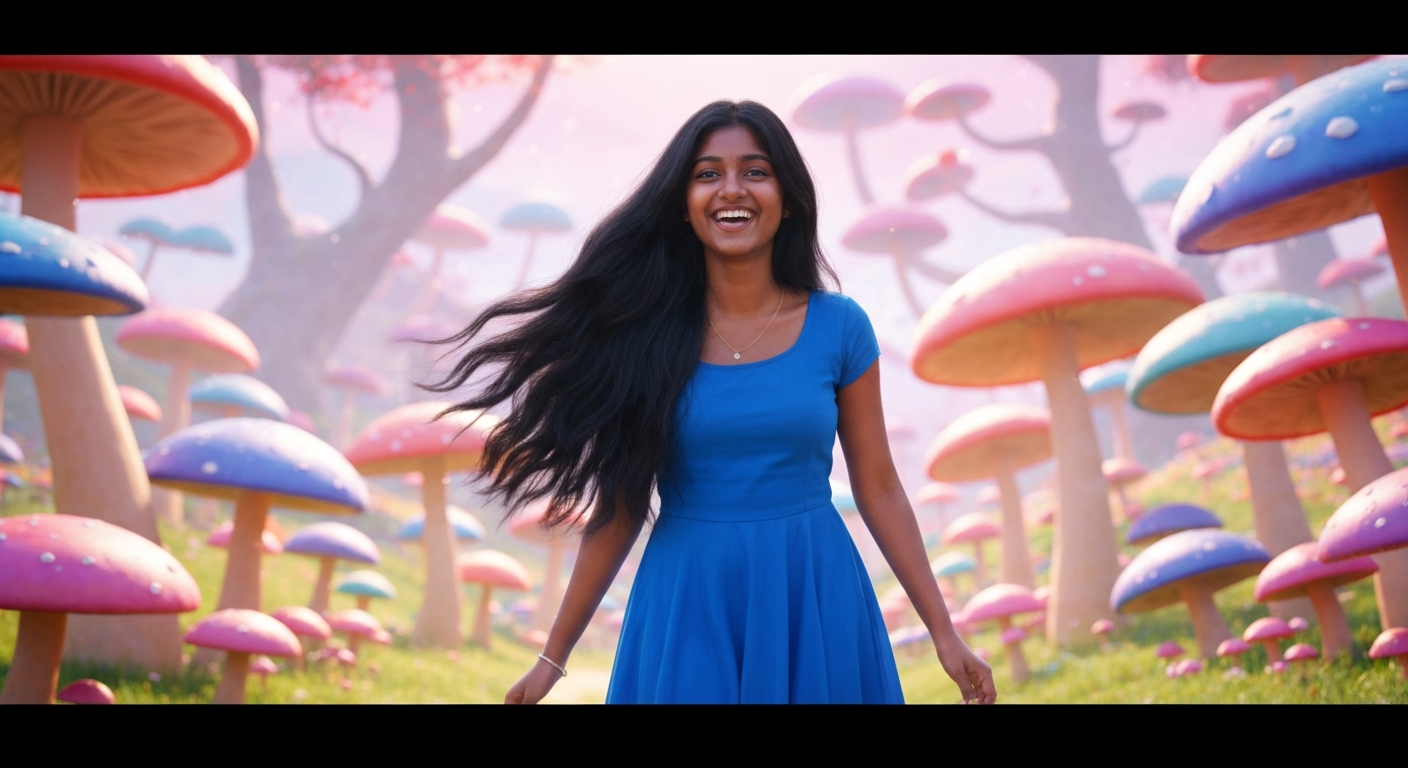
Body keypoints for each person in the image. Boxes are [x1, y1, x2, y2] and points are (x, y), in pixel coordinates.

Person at [428, 100, 996, 704]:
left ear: (788, 194)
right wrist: (552, 659)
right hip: (687, 599)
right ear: (682, 201)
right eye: (707, 174)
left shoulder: (842, 328)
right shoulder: (643, 337)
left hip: (812, 590)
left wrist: (943, 632)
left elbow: (879, 488)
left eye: (755, 170)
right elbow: (620, 508)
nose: (733, 190)